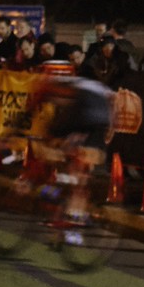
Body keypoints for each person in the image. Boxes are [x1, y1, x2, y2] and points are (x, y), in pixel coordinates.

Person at [25, 60, 115, 226]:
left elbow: (30, 109)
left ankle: (41, 185)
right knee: (81, 162)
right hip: (101, 119)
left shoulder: (51, 83)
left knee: (50, 142)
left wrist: (13, 132)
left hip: (82, 112)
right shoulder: (96, 85)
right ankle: (77, 210)